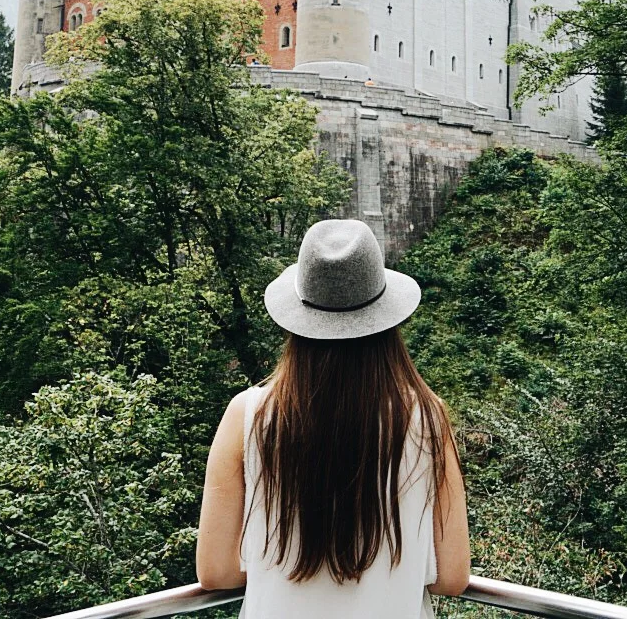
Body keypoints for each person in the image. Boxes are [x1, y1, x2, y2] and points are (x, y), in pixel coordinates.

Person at [196, 219, 470, 617]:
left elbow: (216, 572)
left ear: (298, 320)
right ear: (386, 318)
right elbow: (453, 576)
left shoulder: (248, 414)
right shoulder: (428, 418)